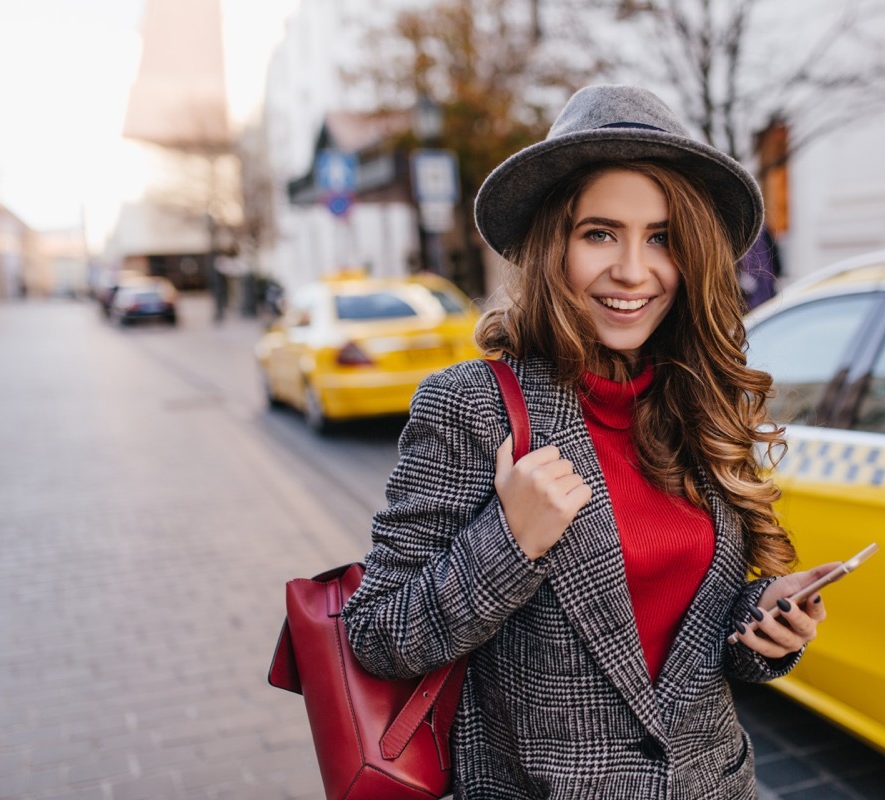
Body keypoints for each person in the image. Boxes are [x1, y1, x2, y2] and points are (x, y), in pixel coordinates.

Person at [341, 84, 836, 799]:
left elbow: (677, 645)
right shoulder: (472, 406)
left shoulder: (696, 397)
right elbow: (377, 634)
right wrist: (510, 543)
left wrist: (763, 626)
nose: (634, 270)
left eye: (661, 237)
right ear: (553, 246)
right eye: (599, 233)